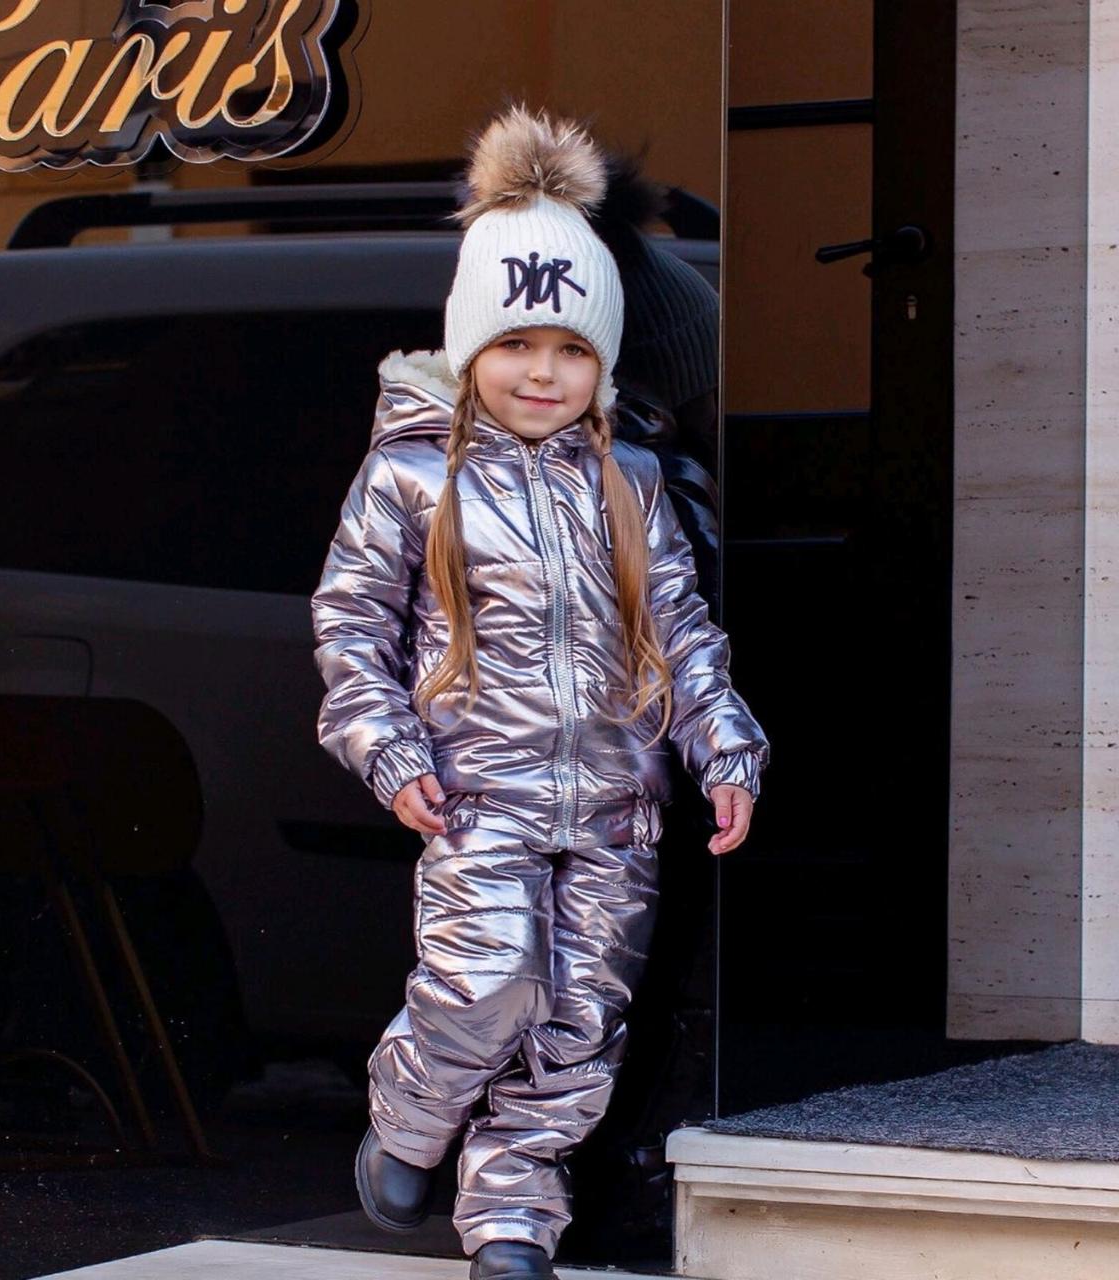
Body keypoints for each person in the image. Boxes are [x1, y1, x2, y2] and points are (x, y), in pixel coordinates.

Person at [310, 103, 770, 1280]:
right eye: (516, 343)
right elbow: (352, 628)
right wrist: (388, 749)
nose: (543, 372)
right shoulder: (412, 475)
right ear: (470, 345)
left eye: (571, 350)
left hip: (616, 809)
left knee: (578, 1026)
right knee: (487, 981)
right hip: (479, 796)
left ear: (603, 363)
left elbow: (682, 629)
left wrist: (724, 745)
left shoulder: (629, 477)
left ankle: (512, 1219)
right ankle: (410, 1114)